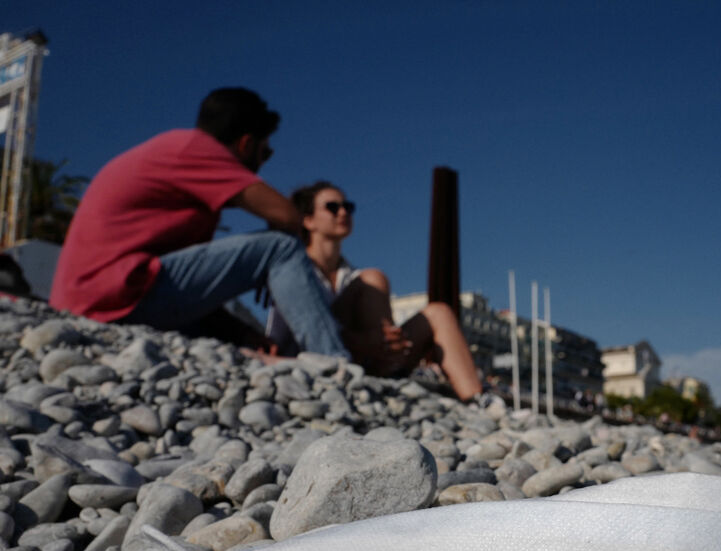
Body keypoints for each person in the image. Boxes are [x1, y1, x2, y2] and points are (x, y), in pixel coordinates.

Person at [49, 88, 349, 360]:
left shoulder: (177, 160)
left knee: (236, 336)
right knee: (280, 248)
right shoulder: (196, 149)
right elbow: (288, 216)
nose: (265, 161)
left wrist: (243, 333)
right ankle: (333, 361)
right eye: (265, 152)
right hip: (114, 295)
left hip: (98, 300)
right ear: (245, 144)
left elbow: (185, 286)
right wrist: (276, 265)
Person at [265, 180, 483, 401]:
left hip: (365, 358)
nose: (343, 212)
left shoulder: (348, 275)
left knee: (439, 313)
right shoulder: (293, 270)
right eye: (332, 207)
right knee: (373, 278)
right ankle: (390, 368)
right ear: (308, 220)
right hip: (309, 359)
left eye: (348, 207)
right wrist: (364, 340)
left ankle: (478, 401)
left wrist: (386, 338)